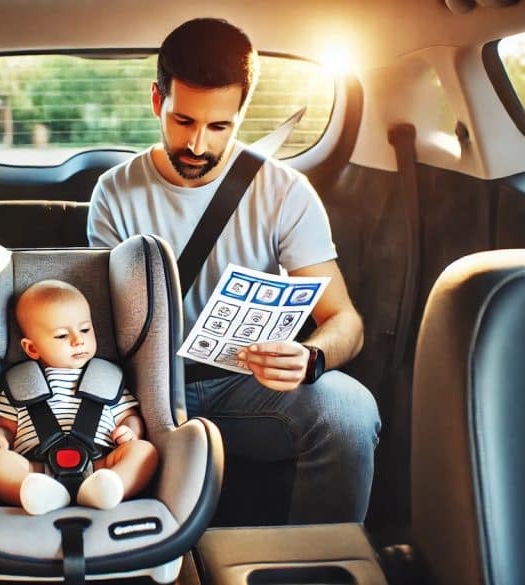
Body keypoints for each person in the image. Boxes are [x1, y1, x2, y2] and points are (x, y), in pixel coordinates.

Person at [86, 17, 380, 524]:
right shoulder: (114, 193)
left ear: (241, 115)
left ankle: (317, 566)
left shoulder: (285, 192)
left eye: (219, 126)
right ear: (158, 102)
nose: (198, 145)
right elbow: (107, 330)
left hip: (244, 384)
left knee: (349, 410)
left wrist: (311, 358)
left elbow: (346, 323)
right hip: (148, 388)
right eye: (183, 121)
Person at [0, 279, 159, 515]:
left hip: (100, 464)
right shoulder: (21, 383)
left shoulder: (107, 379)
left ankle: (109, 489)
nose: (78, 340)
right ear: (32, 348)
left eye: (85, 329)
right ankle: (38, 494)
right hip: (37, 469)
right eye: (62, 336)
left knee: (144, 451)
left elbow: (129, 416)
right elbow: (4, 426)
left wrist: (131, 430)